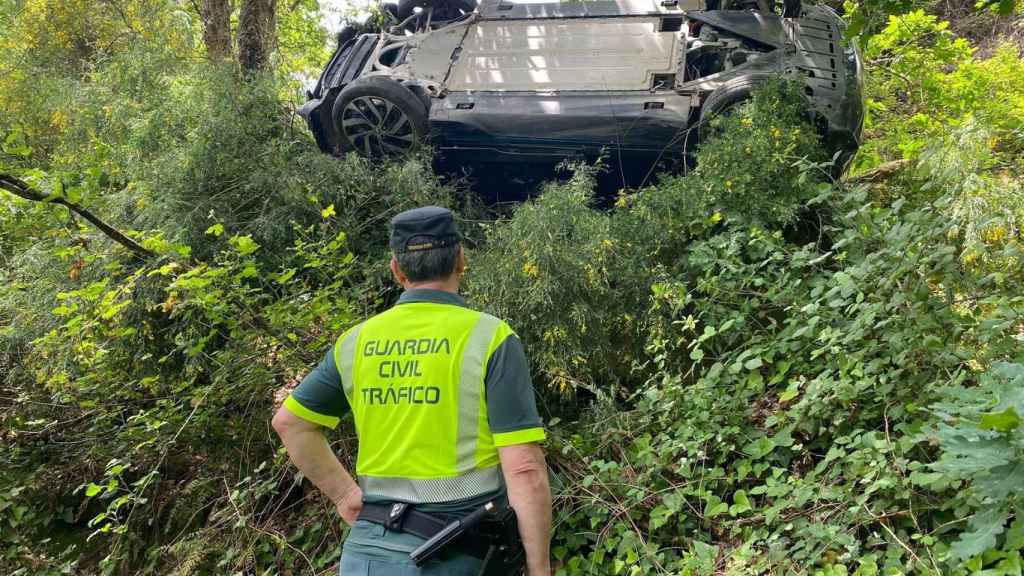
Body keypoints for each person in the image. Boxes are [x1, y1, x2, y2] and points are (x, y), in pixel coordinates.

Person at [272, 206, 552, 576]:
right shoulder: (490, 338)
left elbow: (291, 423)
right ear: (460, 259)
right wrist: (539, 567)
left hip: (365, 557)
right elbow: (525, 468)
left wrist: (345, 495)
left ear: (397, 270)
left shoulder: (356, 342)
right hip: (456, 559)